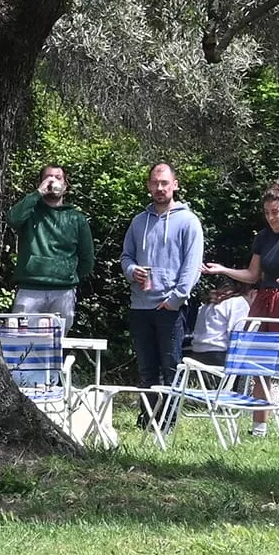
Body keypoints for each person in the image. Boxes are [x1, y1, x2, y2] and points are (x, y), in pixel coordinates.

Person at [205, 180, 279, 438]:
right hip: (263, 301)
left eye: (275, 212)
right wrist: (222, 269)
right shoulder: (262, 237)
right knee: (259, 366)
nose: (271, 218)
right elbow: (253, 274)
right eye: (267, 213)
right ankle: (259, 428)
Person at [120, 162, 203, 425]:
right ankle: (147, 418)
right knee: (146, 369)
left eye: (164, 183)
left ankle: (167, 422)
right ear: (148, 186)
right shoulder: (138, 221)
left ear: (175, 185)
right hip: (140, 306)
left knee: (170, 367)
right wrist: (132, 271)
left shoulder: (188, 221)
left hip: (170, 307)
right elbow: (126, 257)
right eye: (155, 183)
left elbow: (192, 266)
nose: (159, 188)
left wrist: (176, 299)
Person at [5, 164, 95, 335]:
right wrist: (38, 193)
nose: (53, 181)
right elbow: (12, 219)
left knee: (55, 346)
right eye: (48, 177)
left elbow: (87, 258)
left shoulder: (76, 218)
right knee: (21, 342)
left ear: (66, 186)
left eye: (58, 177)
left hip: (63, 291)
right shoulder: (30, 213)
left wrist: (67, 274)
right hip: (30, 289)